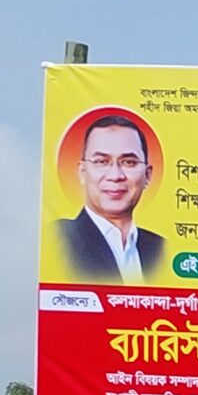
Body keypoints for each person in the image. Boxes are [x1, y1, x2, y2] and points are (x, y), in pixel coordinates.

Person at [53, 114, 165, 284]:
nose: (115, 176)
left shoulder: (161, 249)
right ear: (82, 173)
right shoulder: (58, 240)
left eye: (128, 162)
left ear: (148, 175)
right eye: (101, 162)